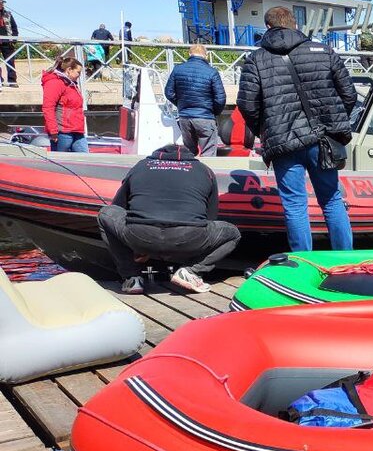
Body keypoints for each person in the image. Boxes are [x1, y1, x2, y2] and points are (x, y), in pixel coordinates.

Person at [236, 5, 356, 252]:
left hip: (284, 143)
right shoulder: (324, 52)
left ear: (268, 27)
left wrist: (266, 129)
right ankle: (345, 258)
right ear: (295, 24)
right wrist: (333, 121)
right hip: (323, 139)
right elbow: (349, 94)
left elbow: (247, 104)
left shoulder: (255, 59)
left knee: (294, 205)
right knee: (332, 200)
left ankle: (302, 261)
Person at [97, 144, 241, 294]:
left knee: (105, 214)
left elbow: (119, 206)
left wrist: (137, 246)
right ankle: (192, 271)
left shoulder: (140, 166)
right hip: (190, 236)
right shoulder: (205, 171)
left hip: (140, 234)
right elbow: (211, 217)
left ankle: (131, 277)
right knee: (233, 234)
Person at [166, 44, 226, 156]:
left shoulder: (178, 69)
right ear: (206, 55)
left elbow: (169, 92)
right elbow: (220, 99)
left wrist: (181, 105)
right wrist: (213, 112)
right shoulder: (212, 72)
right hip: (205, 117)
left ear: (189, 54)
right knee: (208, 153)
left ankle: (190, 166)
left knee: (188, 153)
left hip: (185, 118)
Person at [41, 55, 88, 152]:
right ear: (69, 70)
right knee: (60, 158)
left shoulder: (70, 84)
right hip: (62, 131)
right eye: (78, 72)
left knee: (84, 156)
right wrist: (53, 130)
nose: (79, 75)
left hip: (76, 129)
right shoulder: (55, 83)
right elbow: (48, 107)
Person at [0, 0, 17, 87]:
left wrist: (14, 39)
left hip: (7, 42)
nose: (1, 4)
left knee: (10, 61)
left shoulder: (8, 14)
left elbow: (14, 27)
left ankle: (12, 81)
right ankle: (0, 81)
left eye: (2, 3)